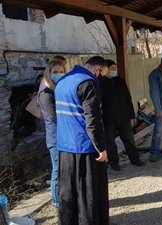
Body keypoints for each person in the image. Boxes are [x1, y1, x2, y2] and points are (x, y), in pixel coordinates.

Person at [55, 56, 109, 225]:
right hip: (85, 148)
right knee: (87, 194)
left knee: (68, 192)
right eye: (102, 75)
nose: (101, 79)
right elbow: (92, 121)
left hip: (64, 146)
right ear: (97, 70)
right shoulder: (89, 84)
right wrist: (101, 148)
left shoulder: (63, 81)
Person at [100, 59, 145, 171]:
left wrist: (131, 113)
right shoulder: (101, 83)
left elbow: (127, 97)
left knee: (129, 140)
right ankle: (114, 163)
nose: (114, 70)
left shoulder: (120, 81)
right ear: (106, 69)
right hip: (108, 118)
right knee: (110, 142)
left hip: (123, 117)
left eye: (115, 68)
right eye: (112, 68)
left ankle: (135, 160)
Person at [38, 59, 66, 208]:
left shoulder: (57, 89)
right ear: (48, 73)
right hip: (55, 138)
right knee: (57, 170)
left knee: (63, 170)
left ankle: (65, 198)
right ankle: (56, 201)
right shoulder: (46, 93)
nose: (59, 74)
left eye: (62, 71)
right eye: (55, 72)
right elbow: (54, 119)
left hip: (63, 137)